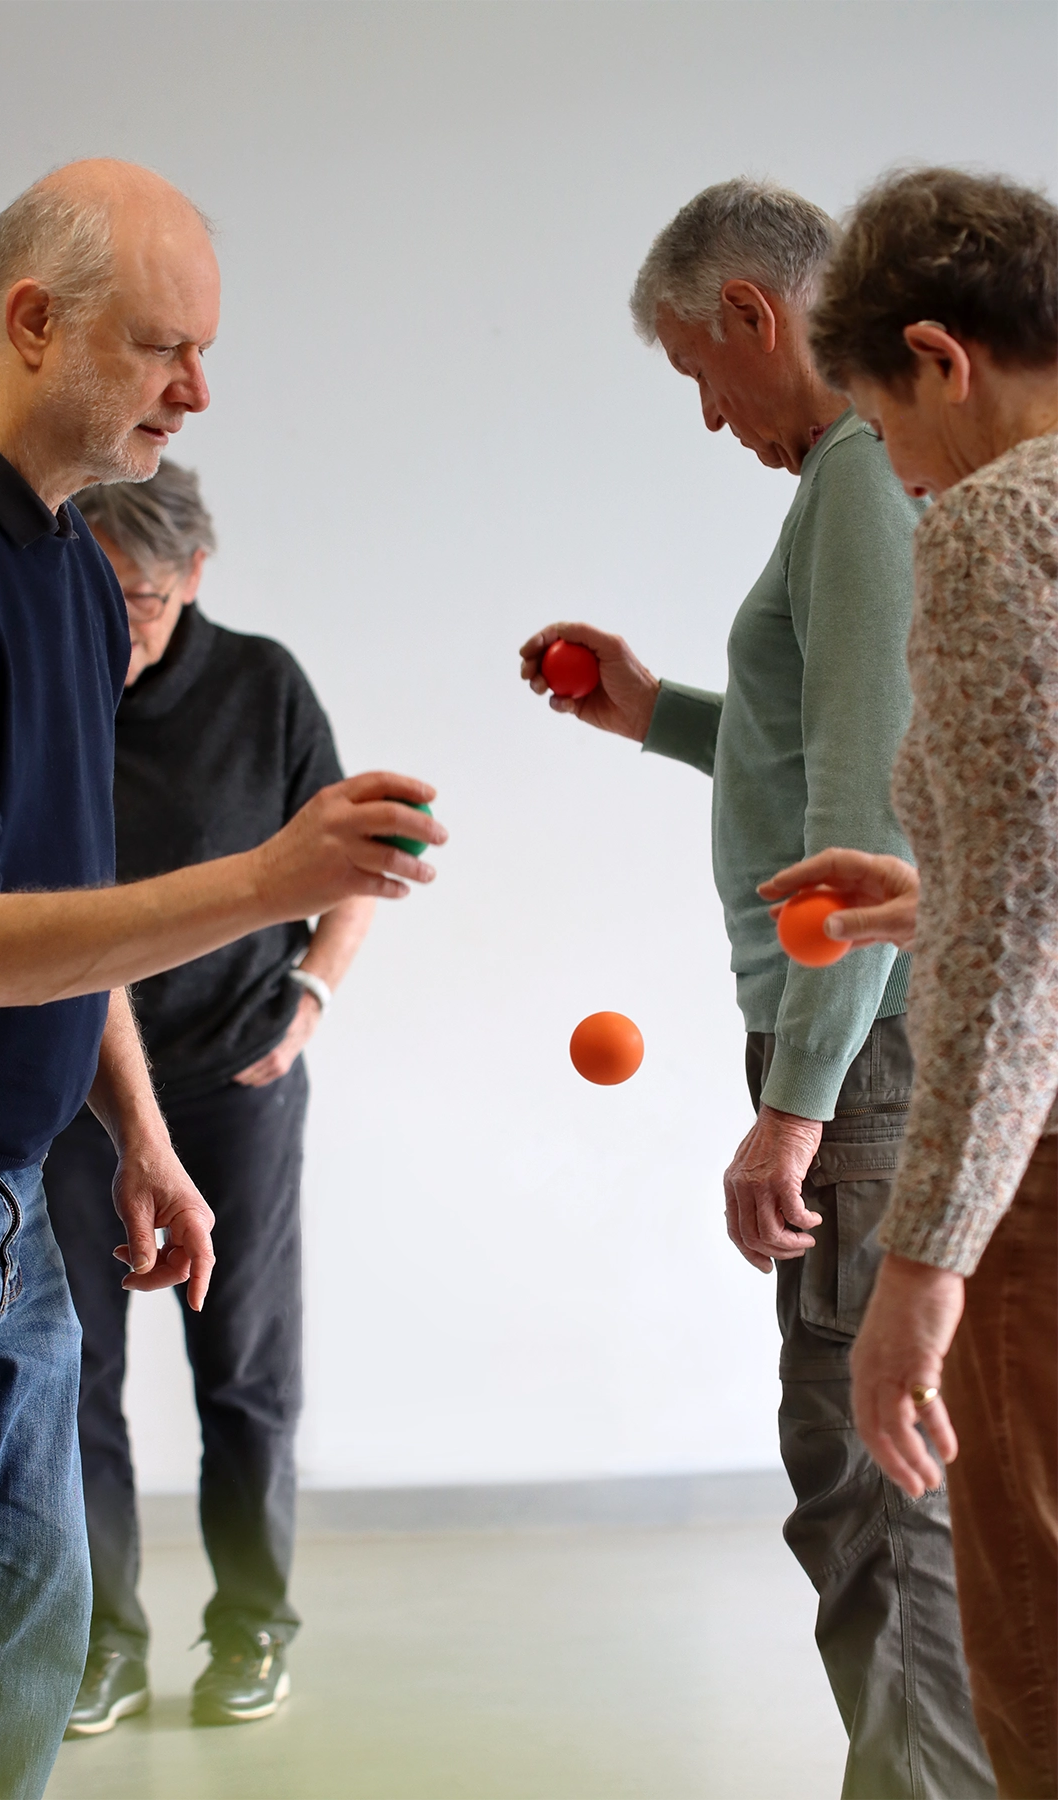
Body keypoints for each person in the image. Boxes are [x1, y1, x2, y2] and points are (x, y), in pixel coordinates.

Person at [0, 158, 444, 1800]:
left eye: (205, 353)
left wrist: (143, 1137)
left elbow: (71, 901)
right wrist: (270, 881)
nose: (195, 394)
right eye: (161, 349)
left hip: (20, 1204)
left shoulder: (55, 556)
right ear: (32, 323)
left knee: (22, 1669)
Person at [520, 178, 993, 1798]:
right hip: (881, 1037)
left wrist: (792, 1107)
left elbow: (861, 815)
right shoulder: (857, 489)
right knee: (894, 1471)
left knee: (872, 1483)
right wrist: (654, 714)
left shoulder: (863, 476)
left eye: (699, 379)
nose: (714, 421)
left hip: (864, 1056)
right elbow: (818, 761)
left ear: (752, 317)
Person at [764, 166, 1058, 1798]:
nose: (905, 478)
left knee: (1034, 1654)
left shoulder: (1004, 524)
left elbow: (1030, 940)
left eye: (884, 423)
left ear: (938, 359)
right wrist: (936, 895)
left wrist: (925, 1266)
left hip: (1044, 1186)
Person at [45, 460, 374, 1734]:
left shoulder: (262, 684)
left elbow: (355, 861)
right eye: (94, 592)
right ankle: (100, 1646)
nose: (115, 624)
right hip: (75, 1081)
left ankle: (251, 1631)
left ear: (194, 575)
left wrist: (309, 1004)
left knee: (240, 1368)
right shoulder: (52, 683)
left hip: (235, 1078)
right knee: (71, 1371)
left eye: (136, 597)